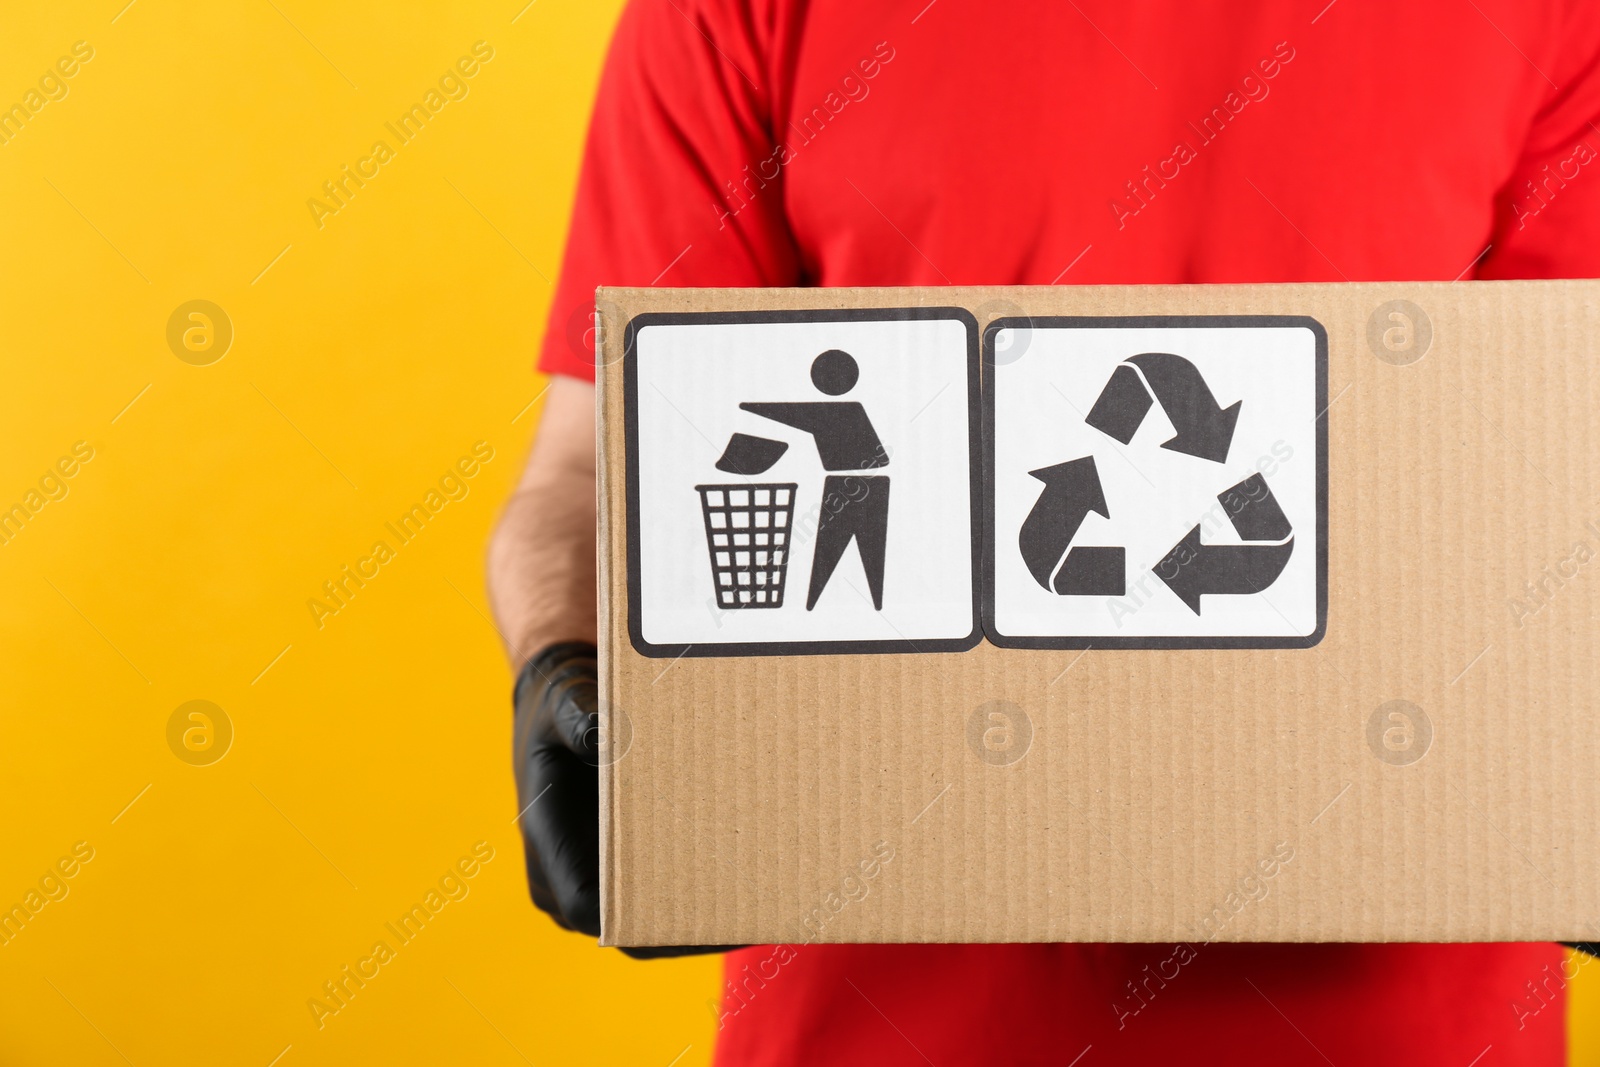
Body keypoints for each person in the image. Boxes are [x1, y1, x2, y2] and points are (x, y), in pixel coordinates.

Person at [488, 1, 1600, 1063]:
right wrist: (561, 663)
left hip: (1398, 1027)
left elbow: (1565, 460)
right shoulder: (740, 8)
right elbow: (593, 463)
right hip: (875, 1020)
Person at [742, 349, 891, 610]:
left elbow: (799, 414)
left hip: (859, 487)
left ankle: (871, 605)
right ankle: (815, 605)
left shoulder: (847, 413)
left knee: (863, 557)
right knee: (829, 558)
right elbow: (801, 414)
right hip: (850, 486)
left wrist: (751, 407)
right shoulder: (846, 413)